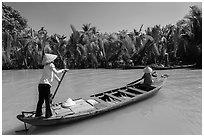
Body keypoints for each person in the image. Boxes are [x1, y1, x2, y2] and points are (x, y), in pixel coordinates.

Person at [35, 53, 68, 118]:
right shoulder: (51, 65)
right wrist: (63, 70)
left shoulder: (45, 66)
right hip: (46, 85)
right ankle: (48, 115)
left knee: (40, 100)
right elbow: (56, 72)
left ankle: (38, 113)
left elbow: (53, 74)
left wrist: (58, 80)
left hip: (40, 85)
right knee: (47, 100)